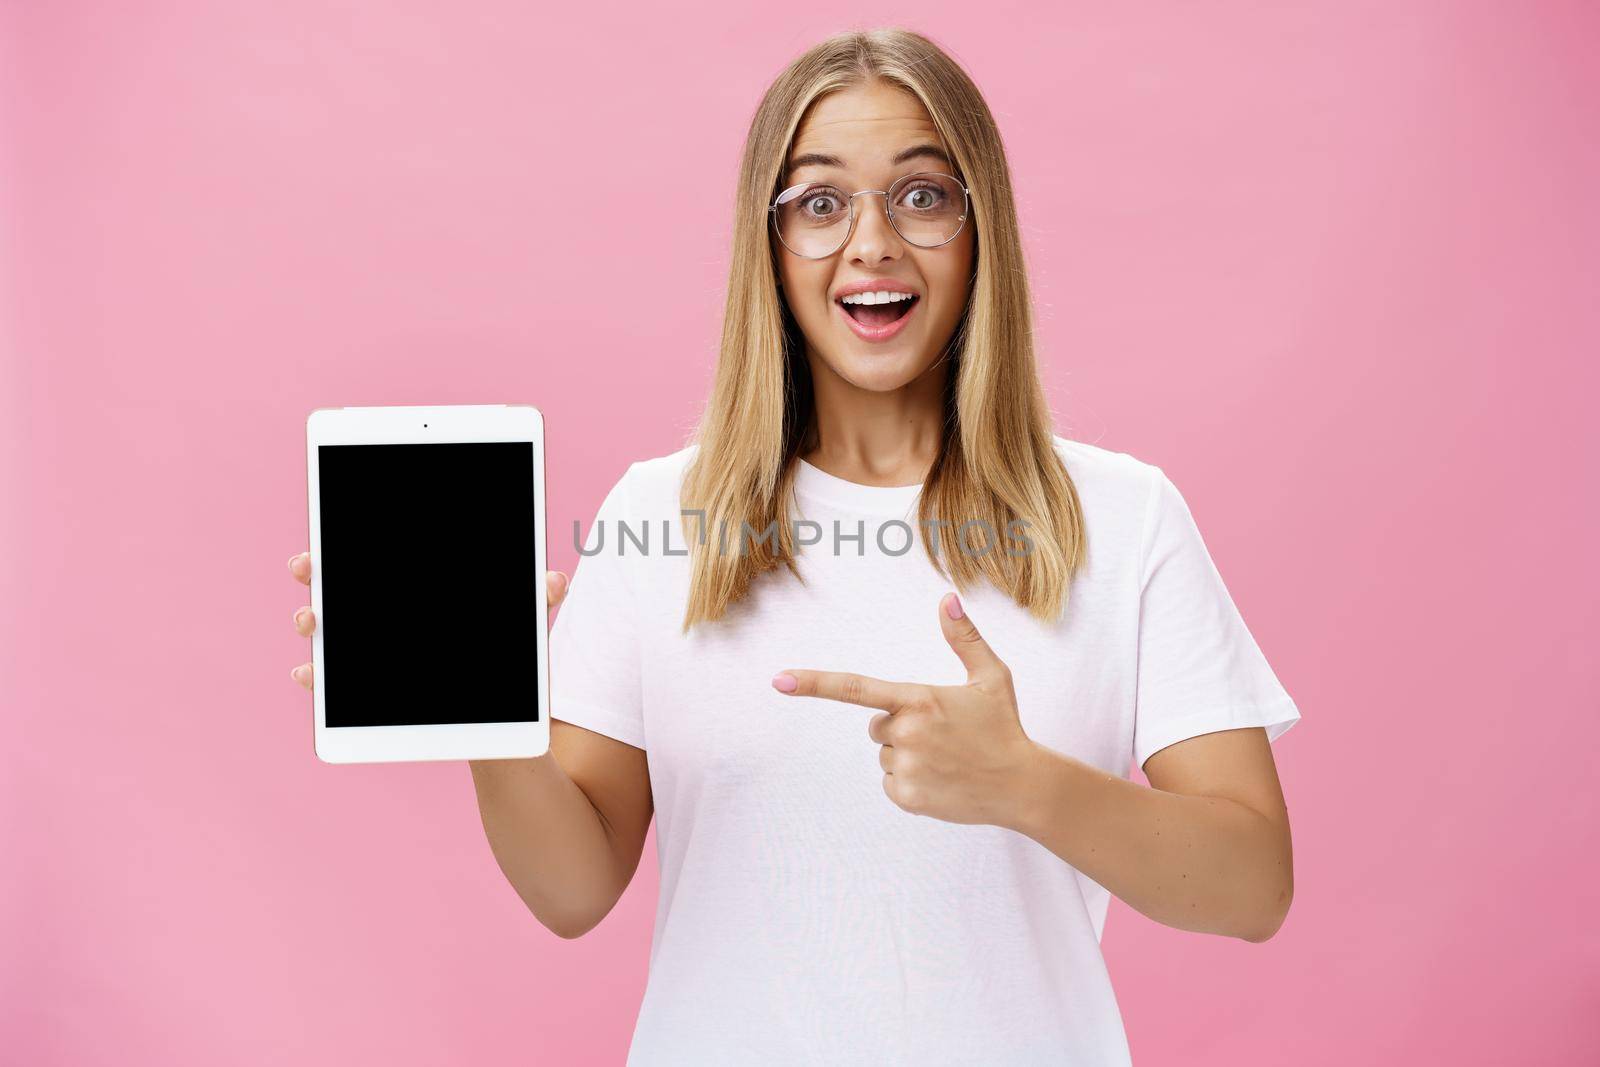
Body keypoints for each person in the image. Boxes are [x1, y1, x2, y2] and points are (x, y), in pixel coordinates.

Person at [288, 27, 1300, 1066]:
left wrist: (1024, 783)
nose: (871, 243)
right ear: (768, 247)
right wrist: (485, 704)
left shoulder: (1122, 517)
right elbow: (573, 889)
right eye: (819, 204)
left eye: (920, 194)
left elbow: (1253, 884)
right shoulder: (657, 519)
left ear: (978, 225)